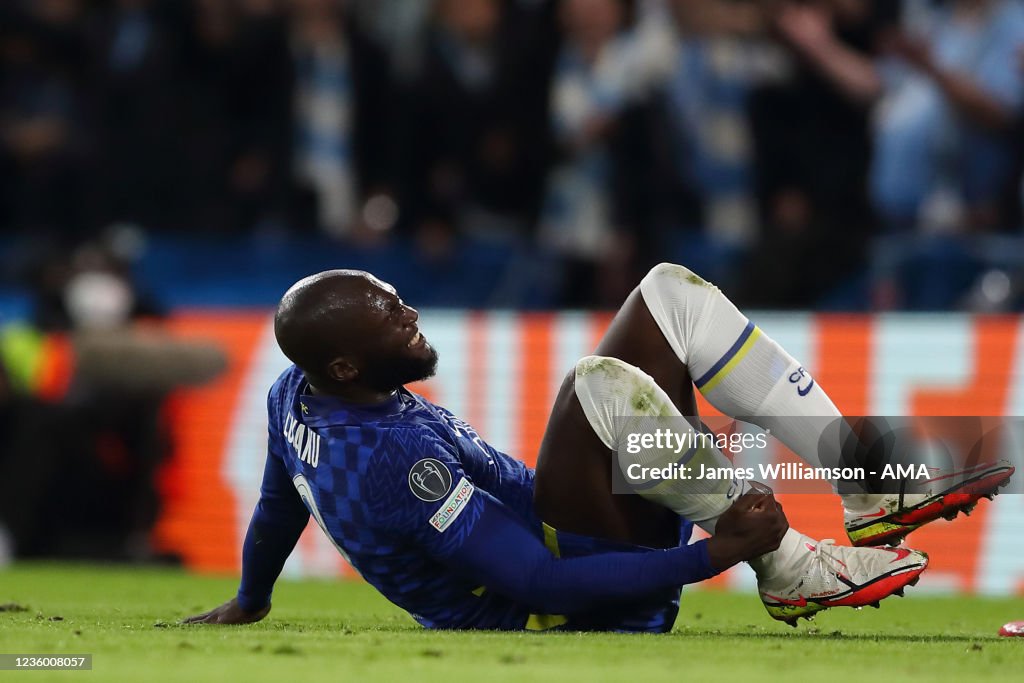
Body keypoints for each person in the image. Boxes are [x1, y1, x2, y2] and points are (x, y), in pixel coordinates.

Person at [184, 263, 1011, 631]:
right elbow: (537, 581)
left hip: (567, 532)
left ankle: (869, 482)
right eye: (391, 319)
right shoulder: (395, 462)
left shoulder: (296, 393)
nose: (411, 317)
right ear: (346, 363)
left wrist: (254, 592)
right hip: (567, 608)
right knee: (595, 385)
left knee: (667, 293)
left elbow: (277, 497)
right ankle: (790, 566)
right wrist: (715, 554)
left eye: (397, 299)